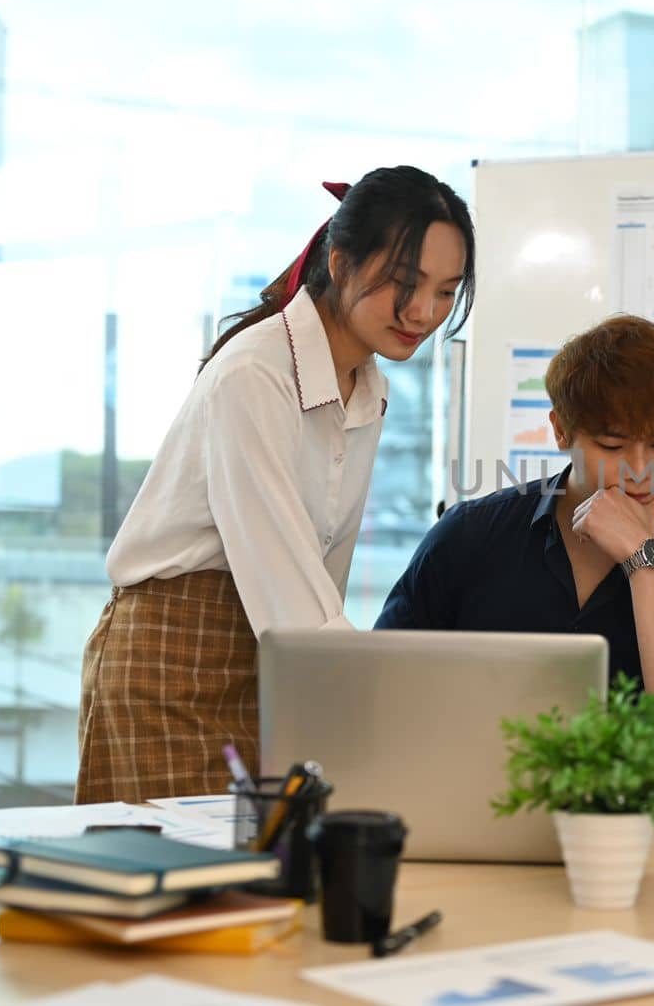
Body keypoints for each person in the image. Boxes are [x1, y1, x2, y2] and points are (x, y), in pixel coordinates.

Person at [77, 166, 475, 803]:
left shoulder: (369, 387)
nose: (425, 313)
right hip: (175, 658)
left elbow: (323, 571)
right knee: (198, 888)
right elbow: (283, 572)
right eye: (404, 284)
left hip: (274, 655)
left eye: (446, 292)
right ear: (341, 264)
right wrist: (373, 699)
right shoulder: (255, 372)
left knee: (269, 875)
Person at [375, 315, 654, 741]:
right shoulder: (468, 537)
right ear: (561, 430)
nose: (640, 470)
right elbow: (382, 686)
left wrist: (644, 560)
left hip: (645, 806)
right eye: (612, 446)